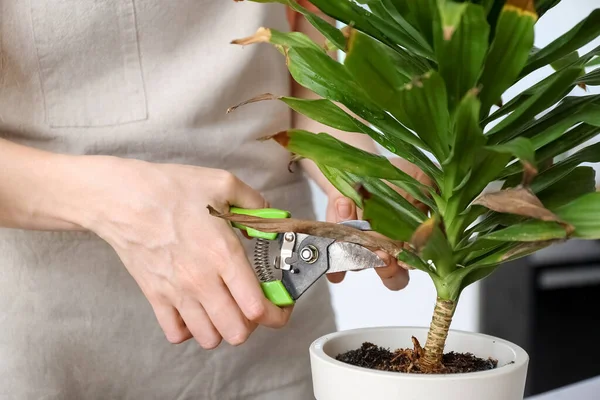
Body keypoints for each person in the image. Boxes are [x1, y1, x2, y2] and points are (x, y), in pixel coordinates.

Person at [0, 1, 426, 399]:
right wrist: (119, 203)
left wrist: (361, 182)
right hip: (52, 344)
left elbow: (308, 71)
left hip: (272, 336)